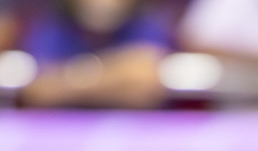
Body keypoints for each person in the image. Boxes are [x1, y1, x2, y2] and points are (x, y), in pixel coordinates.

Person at [20, 0, 174, 108]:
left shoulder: (146, 27)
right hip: (65, 131)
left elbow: (145, 86)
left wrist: (67, 80)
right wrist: (116, 77)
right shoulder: (53, 29)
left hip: (134, 131)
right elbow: (39, 91)